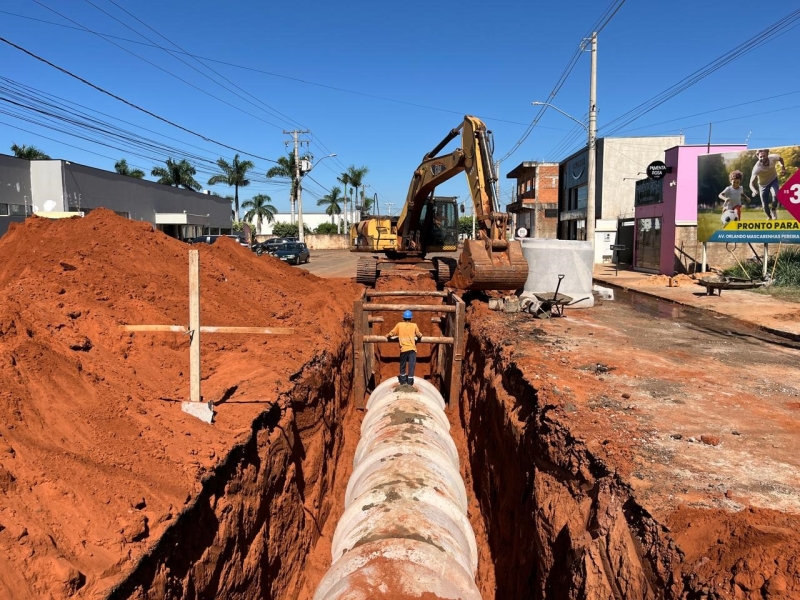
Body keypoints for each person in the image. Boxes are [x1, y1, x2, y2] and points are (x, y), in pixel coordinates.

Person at [387, 309, 422, 387]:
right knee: (411, 366)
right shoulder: (414, 325)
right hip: (412, 349)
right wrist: (419, 336)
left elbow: (392, 333)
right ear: (411, 318)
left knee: (402, 365)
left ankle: (403, 382)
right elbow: (419, 334)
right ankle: (410, 382)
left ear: (403, 318)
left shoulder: (399, 325)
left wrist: (387, 335)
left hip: (403, 349)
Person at [749, 148, 786, 220]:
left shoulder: (773, 157)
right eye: (760, 157)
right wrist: (753, 190)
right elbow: (751, 183)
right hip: (763, 185)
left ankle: (773, 210)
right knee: (765, 206)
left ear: (767, 155)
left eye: (764, 156)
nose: (762, 158)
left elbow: (781, 159)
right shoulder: (757, 168)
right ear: (758, 157)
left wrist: (783, 168)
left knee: (776, 195)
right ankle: (769, 216)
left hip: (773, 180)